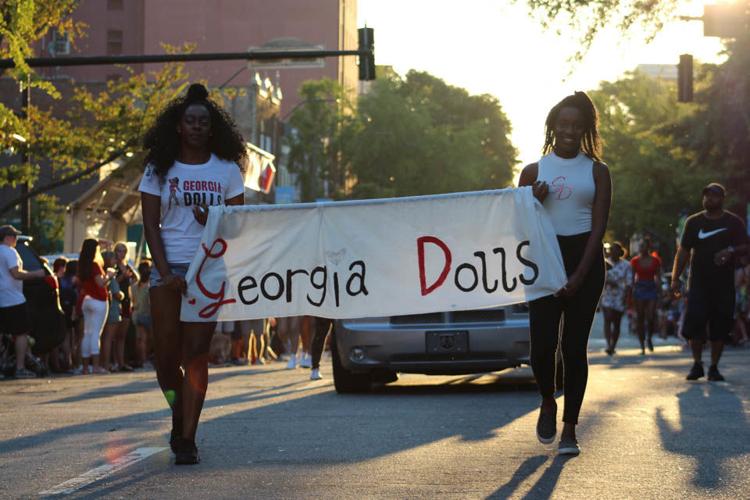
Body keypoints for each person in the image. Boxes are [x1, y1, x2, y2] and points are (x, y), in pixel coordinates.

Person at [140, 83, 247, 465]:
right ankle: (177, 409)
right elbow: (150, 225)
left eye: (204, 121)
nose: (198, 127)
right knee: (166, 359)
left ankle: (188, 438)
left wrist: (213, 223)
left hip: (209, 270)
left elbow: (237, 226)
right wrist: (165, 272)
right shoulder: (158, 169)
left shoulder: (227, 170)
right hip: (167, 270)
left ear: (212, 128)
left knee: (197, 353)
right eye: (191, 121)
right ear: (179, 127)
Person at [518, 91, 610, 456]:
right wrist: (532, 201)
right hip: (543, 259)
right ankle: (546, 399)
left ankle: (570, 429)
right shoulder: (533, 172)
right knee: (542, 347)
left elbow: (599, 229)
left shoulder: (598, 171)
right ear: (553, 127)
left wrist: (579, 275)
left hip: (584, 260)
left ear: (586, 128)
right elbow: (518, 227)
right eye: (564, 124)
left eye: (577, 125)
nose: (570, 131)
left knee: (574, 348)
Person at [671, 183, 749, 381]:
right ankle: (697, 364)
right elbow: (683, 251)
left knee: (720, 325)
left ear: (722, 198)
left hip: (724, 284)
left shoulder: (733, 222)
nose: (708, 200)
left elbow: (745, 246)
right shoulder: (694, 222)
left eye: (713, 196)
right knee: (695, 322)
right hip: (698, 283)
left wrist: (729, 251)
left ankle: (714, 367)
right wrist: (675, 279)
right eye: (706, 196)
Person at [0, 225, 46, 378]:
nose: (16, 239)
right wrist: (36, 274)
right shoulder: (10, 251)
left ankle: (3, 365)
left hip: (1, 297)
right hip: (13, 298)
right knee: (21, 333)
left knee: (3, 333)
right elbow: (16, 274)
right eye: (14, 236)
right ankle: (20, 368)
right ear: (8, 237)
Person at [77, 239, 112, 375]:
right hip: (98, 300)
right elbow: (100, 283)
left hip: (87, 300)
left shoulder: (82, 264)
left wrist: (100, 243)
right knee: (96, 334)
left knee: (87, 333)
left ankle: (86, 367)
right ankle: (96, 367)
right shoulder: (94, 265)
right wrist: (109, 275)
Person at [630, 238, 661, 354]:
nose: (641, 248)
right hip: (639, 288)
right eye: (640, 246)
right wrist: (631, 292)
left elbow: (658, 276)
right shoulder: (635, 261)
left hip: (651, 287)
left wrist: (660, 293)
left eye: (643, 246)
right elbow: (632, 278)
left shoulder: (655, 260)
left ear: (648, 247)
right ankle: (642, 345)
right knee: (640, 318)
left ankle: (649, 338)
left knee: (651, 316)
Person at [600, 242, 632, 356]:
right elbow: (600, 277)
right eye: (611, 250)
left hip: (620, 295)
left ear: (620, 252)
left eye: (615, 250)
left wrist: (626, 298)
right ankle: (608, 344)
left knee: (616, 322)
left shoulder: (627, 265)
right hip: (607, 295)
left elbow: (629, 283)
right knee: (607, 318)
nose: (612, 252)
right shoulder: (605, 262)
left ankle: (613, 345)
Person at [114, 242, 138, 372]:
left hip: (127, 301)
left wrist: (130, 273)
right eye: (118, 250)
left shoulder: (127, 266)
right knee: (115, 334)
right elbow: (112, 283)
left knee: (123, 335)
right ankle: (115, 362)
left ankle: (122, 362)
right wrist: (122, 276)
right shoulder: (114, 267)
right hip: (117, 301)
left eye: (123, 251)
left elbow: (136, 278)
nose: (121, 253)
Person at [100, 250, 123, 372]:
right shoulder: (111, 275)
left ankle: (102, 363)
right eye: (114, 259)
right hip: (113, 308)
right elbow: (117, 294)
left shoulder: (102, 273)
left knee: (103, 338)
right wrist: (122, 295)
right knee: (108, 338)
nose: (116, 261)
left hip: (104, 307)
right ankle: (107, 363)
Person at [131, 260, 153, 369]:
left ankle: (141, 360)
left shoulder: (134, 286)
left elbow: (133, 300)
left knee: (140, 339)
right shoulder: (150, 286)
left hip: (136, 314)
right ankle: (145, 359)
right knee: (147, 339)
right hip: (147, 314)